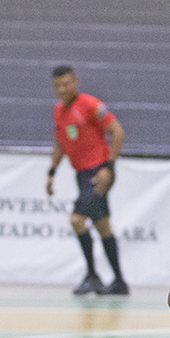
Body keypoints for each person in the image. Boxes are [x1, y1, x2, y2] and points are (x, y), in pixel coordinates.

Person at [46, 65, 128, 296]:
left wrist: (108, 167)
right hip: (82, 175)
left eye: (66, 84)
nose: (62, 89)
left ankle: (92, 276)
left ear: (75, 82)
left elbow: (117, 131)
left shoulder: (90, 105)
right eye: (57, 86)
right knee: (102, 226)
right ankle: (119, 282)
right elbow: (60, 144)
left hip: (98, 174)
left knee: (77, 220)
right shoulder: (58, 111)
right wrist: (51, 172)